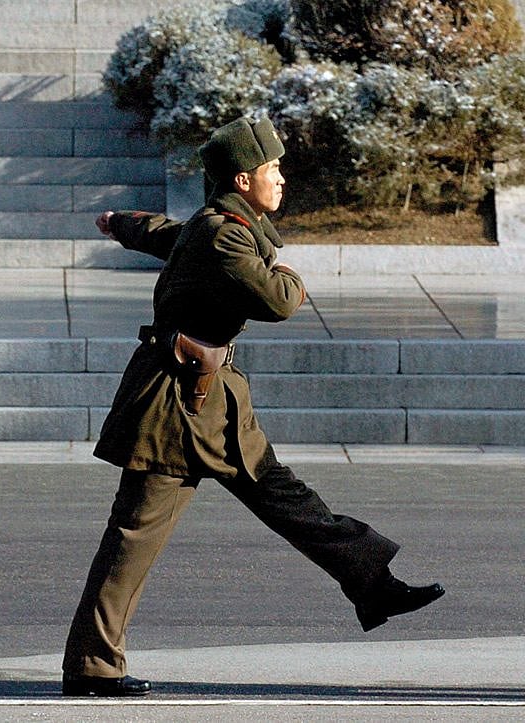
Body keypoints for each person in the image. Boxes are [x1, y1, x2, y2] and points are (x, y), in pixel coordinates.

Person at [60, 116, 444, 698]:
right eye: (273, 169)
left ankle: (372, 582)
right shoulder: (224, 237)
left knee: (284, 496)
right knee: (134, 535)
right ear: (243, 179)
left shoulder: (219, 228)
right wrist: (287, 271)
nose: (282, 179)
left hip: (210, 401)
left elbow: (166, 233)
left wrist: (121, 223)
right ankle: (91, 666)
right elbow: (278, 300)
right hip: (175, 408)